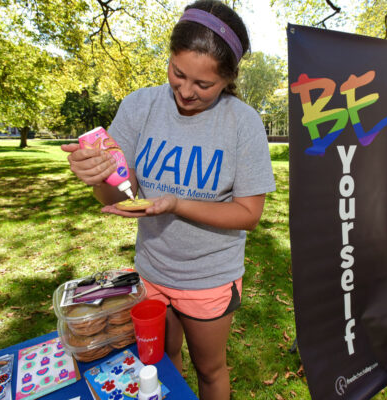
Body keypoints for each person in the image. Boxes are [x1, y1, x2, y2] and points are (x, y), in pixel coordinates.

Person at [62, 1, 275, 399]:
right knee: (161, 359)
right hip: (152, 271)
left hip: (209, 280)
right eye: (178, 74)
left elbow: (249, 214)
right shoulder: (140, 105)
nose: (186, 91)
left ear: (228, 80)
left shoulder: (243, 123)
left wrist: (176, 203)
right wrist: (96, 176)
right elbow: (114, 193)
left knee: (210, 370)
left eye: (204, 85)